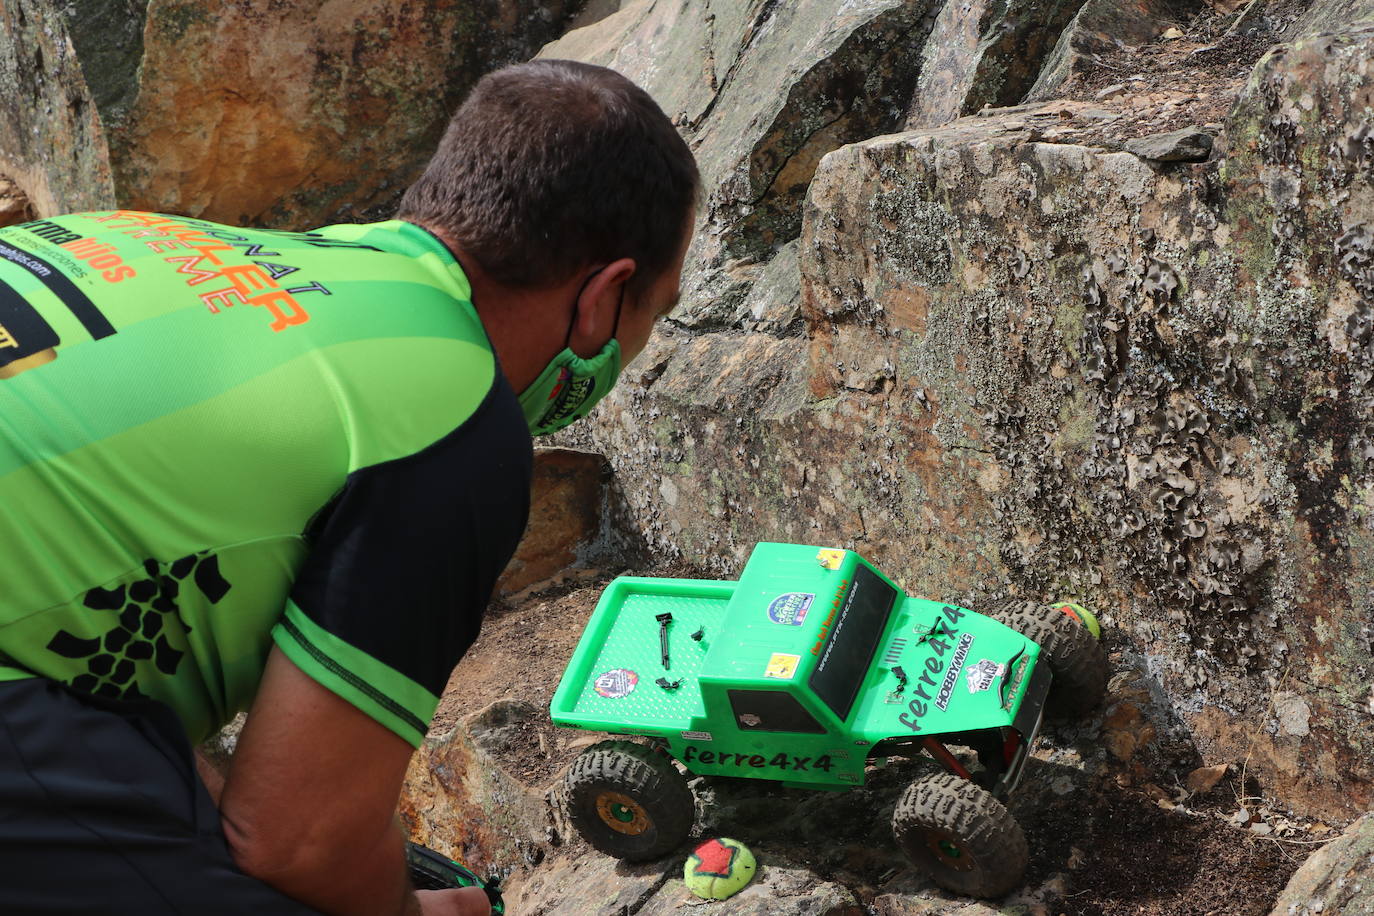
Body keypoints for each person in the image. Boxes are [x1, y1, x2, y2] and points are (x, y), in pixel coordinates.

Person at [0, 59, 698, 915]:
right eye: (652, 316)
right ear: (605, 296)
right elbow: (298, 842)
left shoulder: (153, 237)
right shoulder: (450, 421)